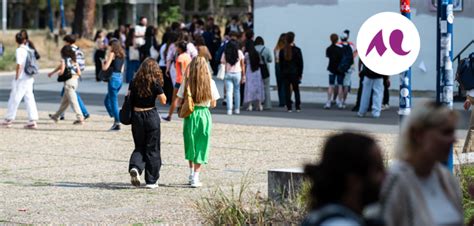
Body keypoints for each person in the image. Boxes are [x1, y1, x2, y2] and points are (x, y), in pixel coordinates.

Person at [380, 101, 463, 226]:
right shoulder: (395, 181)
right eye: (446, 132)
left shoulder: (446, 179)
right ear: (418, 134)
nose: (454, 140)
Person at [302, 132, 385, 226]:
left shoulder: (320, 216)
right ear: (354, 180)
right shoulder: (340, 223)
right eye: (378, 170)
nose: (386, 176)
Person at [176, 56, 220, 187]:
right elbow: (214, 103)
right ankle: (196, 176)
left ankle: (190, 173)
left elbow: (179, 100)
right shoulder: (210, 82)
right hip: (204, 115)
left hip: (190, 114)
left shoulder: (187, 82)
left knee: (190, 143)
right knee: (202, 144)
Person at [128, 58, 167, 189]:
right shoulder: (155, 83)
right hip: (151, 115)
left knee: (139, 146)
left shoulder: (134, 82)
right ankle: (151, 180)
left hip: (137, 116)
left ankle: (135, 167)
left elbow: (129, 98)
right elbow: (163, 100)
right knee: (152, 148)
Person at [1, 33, 39, 129]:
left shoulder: (20, 50)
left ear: (16, 40)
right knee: (29, 98)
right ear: (25, 40)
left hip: (22, 78)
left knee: (15, 97)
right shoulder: (29, 50)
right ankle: (33, 120)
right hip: (29, 77)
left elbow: (19, 65)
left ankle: (9, 119)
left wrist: (17, 77)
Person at [53, 35, 90, 120]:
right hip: (76, 74)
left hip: (70, 76)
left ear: (68, 42)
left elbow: (64, 64)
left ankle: (83, 113)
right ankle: (58, 115)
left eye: (65, 42)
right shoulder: (79, 50)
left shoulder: (69, 50)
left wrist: (57, 72)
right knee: (66, 96)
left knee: (72, 96)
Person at [48, 46, 84, 125]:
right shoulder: (74, 60)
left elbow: (62, 70)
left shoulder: (64, 60)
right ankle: (56, 116)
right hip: (75, 81)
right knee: (64, 102)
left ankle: (80, 117)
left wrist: (58, 73)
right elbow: (79, 72)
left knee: (74, 102)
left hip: (68, 83)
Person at [163, 41, 192, 121]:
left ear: (180, 48)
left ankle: (169, 115)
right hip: (187, 79)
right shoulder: (188, 56)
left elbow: (182, 69)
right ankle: (186, 114)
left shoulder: (180, 57)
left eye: (177, 47)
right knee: (186, 98)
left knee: (175, 99)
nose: (176, 48)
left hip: (179, 80)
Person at [102, 40, 125, 130]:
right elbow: (122, 70)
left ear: (112, 46)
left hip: (113, 78)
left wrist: (103, 62)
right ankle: (115, 115)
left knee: (113, 101)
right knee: (107, 101)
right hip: (119, 78)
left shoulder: (112, 53)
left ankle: (117, 122)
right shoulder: (122, 55)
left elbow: (105, 68)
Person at [279, 32, 303, 112]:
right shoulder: (297, 50)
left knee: (287, 90)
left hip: (285, 73)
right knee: (296, 90)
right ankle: (298, 106)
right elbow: (300, 63)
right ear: (293, 39)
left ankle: (289, 107)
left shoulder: (282, 51)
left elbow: (280, 64)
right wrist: (300, 73)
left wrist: (282, 72)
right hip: (295, 73)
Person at [221, 40, 245, 115]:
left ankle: (229, 109)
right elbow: (242, 65)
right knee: (237, 91)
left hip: (228, 73)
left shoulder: (225, 53)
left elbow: (222, 62)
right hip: (237, 73)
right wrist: (243, 75)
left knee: (229, 92)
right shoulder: (239, 52)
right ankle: (237, 109)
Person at [337, 30, 357, 109]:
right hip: (349, 67)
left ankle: (339, 101)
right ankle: (344, 102)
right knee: (346, 85)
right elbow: (354, 54)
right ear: (347, 37)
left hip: (340, 67)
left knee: (340, 85)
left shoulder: (338, 45)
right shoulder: (351, 45)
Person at [243, 40, 264, 111]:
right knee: (258, 87)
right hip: (257, 71)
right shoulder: (257, 53)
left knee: (249, 88)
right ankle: (259, 105)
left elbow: (244, 62)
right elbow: (261, 62)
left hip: (249, 71)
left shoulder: (246, 54)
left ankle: (250, 105)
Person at [324, 33, 343, 109]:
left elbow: (328, 57)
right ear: (337, 39)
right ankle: (340, 102)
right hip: (339, 69)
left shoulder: (328, 49)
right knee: (340, 85)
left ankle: (328, 102)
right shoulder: (340, 49)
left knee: (331, 85)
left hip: (331, 68)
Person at [254, 36, 273, 110]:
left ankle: (256, 104)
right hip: (265, 70)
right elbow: (270, 59)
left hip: (255, 70)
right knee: (266, 87)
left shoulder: (253, 49)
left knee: (256, 87)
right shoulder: (266, 49)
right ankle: (267, 105)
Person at [274, 33, 286, 107]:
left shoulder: (276, 48)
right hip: (283, 65)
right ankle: (283, 101)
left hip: (277, 65)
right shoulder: (285, 49)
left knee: (279, 83)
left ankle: (281, 101)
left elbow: (275, 59)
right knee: (284, 84)